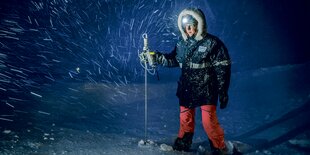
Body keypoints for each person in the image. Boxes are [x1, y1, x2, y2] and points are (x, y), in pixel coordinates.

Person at [141, 8, 231, 154]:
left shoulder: (212, 43)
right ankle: (183, 144)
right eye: (186, 25)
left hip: (207, 88)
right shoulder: (182, 44)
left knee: (209, 122)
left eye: (192, 24)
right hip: (187, 88)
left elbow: (223, 68)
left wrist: (223, 90)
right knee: (185, 120)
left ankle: (219, 147)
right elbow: (173, 60)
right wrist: (155, 57)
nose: (188, 29)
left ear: (199, 24)